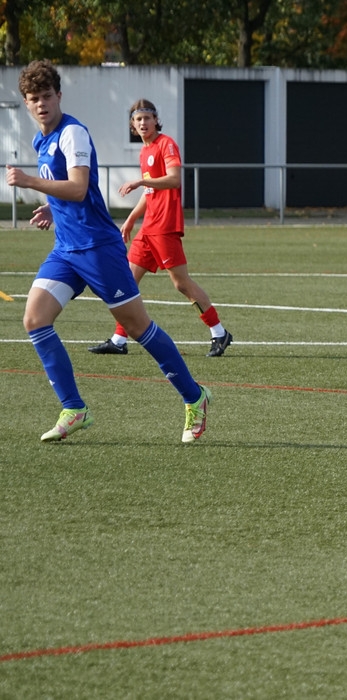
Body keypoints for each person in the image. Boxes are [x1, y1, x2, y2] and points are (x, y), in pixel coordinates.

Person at [5, 60, 211, 444]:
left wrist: (30, 181)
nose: (41, 104)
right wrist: (51, 207)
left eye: (47, 96)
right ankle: (74, 409)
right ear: (26, 103)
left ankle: (195, 397)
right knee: (34, 319)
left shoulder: (73, 134)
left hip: (98, 248)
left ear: (59, 96)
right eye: (34, 99)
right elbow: (65, 189)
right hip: (66, 250)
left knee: (137, 328)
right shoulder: (40, 140)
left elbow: (79, 187)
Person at [88, 98, 233, 357]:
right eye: (138, 119)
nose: (143, 123)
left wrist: (139, 182)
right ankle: (119, 340)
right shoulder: (144, 151)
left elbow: (174, 179)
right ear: (132, 125)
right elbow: (150, 191)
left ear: (156, 120)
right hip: (148, 227)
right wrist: (132, 218)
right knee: (127, 280)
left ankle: (219, 332)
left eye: (147, 118)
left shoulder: (166, 144)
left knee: (181, 284)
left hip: (164, 225)